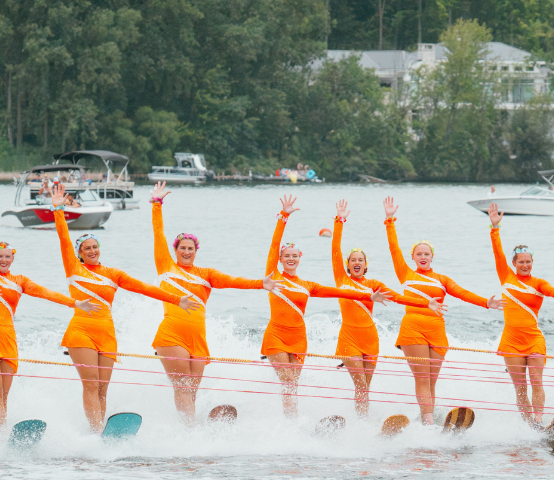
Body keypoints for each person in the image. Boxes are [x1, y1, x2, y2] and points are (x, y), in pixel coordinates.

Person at [50, 186, 200, 432]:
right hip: (81, 333)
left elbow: (143, 288)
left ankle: (100, 430)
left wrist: (176, 299)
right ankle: (95, 430)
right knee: (90, 384)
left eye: (94, 247)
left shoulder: (113, 274)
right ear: (78, 254)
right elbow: (63, 238)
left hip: (107, 334)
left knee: (102, 388)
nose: (92, 251)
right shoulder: (74, 270)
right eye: (86, 248)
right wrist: (58, 209)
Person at [0, 187, 101, 432]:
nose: (4, 260)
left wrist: (75, 303)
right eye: (0, 257)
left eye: (8, 257)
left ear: (13, 259)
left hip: (8, 339)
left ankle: (0, 432)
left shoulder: (20, 281)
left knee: (4, 393)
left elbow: (47, 293)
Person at [149, 181, 277, 425]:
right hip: (171, 335)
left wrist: (261, 283)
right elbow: (158, 234)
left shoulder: (205, 274)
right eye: (182, 248)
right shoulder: (166, 266)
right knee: (182, 387)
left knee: (191, 390)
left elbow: (232, 281)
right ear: (175, 250)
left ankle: (188, 427)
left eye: (191, 248)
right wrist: (157, 204)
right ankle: (190, 430)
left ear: (196, 251)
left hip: (198, 339)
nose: (186, 252)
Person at [264, 195, 391, 418]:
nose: (291, 259)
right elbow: (276, 246)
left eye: (295, 256)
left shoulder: (307, 285)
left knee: (294, 386)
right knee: (289, 383)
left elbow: (339, 292)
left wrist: (422, 303)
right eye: (287, 256)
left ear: (299, 258)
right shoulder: (273, 276)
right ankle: (289, 426)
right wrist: (284, 217)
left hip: (299, 338)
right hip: (276, 336)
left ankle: (359, 424)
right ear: (280, 260)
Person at [383, 196, 503, 425]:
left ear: (432, 257)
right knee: (422, 378)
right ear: (413, 257)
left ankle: (427, 418)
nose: (423, 257)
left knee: (432, 381)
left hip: (438, 332)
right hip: (413, 329)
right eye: (419, 254)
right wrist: (390, 220)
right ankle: (428, 423)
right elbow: (393, 248)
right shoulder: (406, 274)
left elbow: (463, 293)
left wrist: (486, 303)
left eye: (426, 254)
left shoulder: (442, 279)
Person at [331, 199, 445, 417]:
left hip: (370, 339)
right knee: (361, 385)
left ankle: (363, 421)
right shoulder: (341, 279)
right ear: (347, 264)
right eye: (353, 260)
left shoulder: (375, 285)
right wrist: (340, 221)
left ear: (366, 264)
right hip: (348, 339)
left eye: (360, 260)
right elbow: (335, 249)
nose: (357, 262)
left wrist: (426, 303)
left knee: (365, 387)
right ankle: (361, 423)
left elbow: (399, 298)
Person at [487, 203, 554, 427]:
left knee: (536, 381)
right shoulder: (506, 276)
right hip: (511, 341)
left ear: (532, 262)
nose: (525, 265)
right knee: (520, 387)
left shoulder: (538, 282)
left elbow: (551, 291)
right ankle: (529, 424)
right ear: (514, 263)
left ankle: (540, 420)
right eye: (521, 262)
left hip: (533, 340)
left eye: (529, 261)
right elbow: (497, 251)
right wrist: (495, 227)